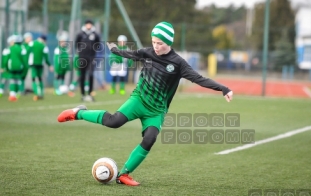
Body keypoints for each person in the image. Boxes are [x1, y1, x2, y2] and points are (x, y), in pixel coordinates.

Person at [57, 21, 233, 186]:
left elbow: (199, 79)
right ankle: (78, 112)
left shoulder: (178, 63)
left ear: (169, 42)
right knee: (114, 121)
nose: (156, 46)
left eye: (160, 43)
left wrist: (223, 88)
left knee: (149, 139)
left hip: (156, 110)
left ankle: (124, 174)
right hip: (139, 99)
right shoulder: (147, 52)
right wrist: (116, 50)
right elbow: (131, 54)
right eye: (154, 42)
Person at [75, 19, 100, 102]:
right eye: (87, 24)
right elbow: (76, 44)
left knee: (90, 74)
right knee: (82, 75)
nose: (88, 26)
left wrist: (93, 52)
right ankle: (82, 94)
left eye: (90, 24)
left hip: (91, 58)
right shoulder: (80, 34)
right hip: (82, 57)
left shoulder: (95, 34)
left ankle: (90, 94)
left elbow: (98, 44)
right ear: (85, 25)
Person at [1, 34, 27, 101]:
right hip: (19, 67)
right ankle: (17, 93)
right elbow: (24, 61)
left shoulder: (9, 49)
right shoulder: (22, 48)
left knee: (12, 80)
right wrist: (24, 70)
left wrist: (4, 67)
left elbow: (5, 60)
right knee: (17, 80)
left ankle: (12, 95)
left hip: (11, 67)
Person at [28, 34, 53, 101]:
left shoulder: (32, 43)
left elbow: (27, 52)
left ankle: (37, 93)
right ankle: (41, 93)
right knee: (40, 78)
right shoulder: (44, 46)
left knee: (33, 79)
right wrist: (49, 65)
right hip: (40, 65)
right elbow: (46, 57)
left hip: (33, 64)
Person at [53, 31, 71, 95]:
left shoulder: (65, 49)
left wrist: (67, 66)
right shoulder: (58, 49)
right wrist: (57, 67)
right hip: (59, 67)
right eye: (62, 42)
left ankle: (62, 89)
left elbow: (66, 58)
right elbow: (56, 59)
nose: (64, 43)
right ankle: (56, 89)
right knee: (58, 77)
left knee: (63, 77)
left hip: (64, 67)